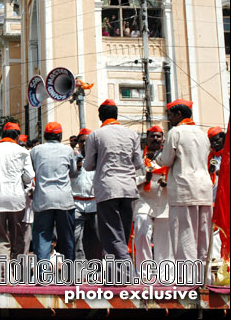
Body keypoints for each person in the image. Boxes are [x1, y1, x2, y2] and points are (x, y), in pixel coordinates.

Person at [156, 99, 213, 282]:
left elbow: (165, 160)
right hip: (204, 190)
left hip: (184, 190)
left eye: (171, 115)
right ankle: (204, 279)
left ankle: (188, 280)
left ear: (179, 114)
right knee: (203, 238)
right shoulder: (202, 134)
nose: (169, 119)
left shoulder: (176, 132)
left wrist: (155, 158)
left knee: (184, 236)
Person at [83, 100, 143, 269]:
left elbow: (88, 166)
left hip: (107, 188)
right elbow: (138, 163)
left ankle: (126, 270)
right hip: (129, 188)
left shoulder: (95, 135)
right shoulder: (132, 134)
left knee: (111, 234)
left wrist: (100, 160)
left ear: (101, 116)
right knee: (122, 233)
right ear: (116, 115)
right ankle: (114, 274)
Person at [0, 122, 34, 277]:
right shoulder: (23, 151)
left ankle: (4, 276)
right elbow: (29, 176)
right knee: (17, 237)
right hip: (16, 199)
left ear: (2, 135)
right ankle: (16, 274)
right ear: (17, 136)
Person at [31, 122, 77, 266]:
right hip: (64, 200)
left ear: (44, 135)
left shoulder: (35, 150)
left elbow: (30, 172)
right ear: (60, 136)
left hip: (43, 199)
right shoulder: (68, 150)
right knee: (67, 238)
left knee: (42, 238)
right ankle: (69, 275)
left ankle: (42, 275)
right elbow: (74, 172)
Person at [133, 126, 172, 278]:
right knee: (142, 232)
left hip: (164, 201)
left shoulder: (169, 157)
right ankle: (144, 273)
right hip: (144, 200)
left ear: (163, 139)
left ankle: (165, 274)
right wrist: (145, 179)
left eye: (158, 136)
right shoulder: (139, 159)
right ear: (147, 138)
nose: (155, 139)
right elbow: (131, 179)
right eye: (152, 136)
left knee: (164, 240)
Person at [72, 128, 102, 261]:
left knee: (98, 237)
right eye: (81, 141)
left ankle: (97, 268)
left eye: (87, 141)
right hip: (76, 203)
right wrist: (74, 168)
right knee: (75, 238)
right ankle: (79, 271)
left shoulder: (99, 158)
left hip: (94, 203)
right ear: (78, 143)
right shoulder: (72, 157)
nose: (84, 144)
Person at [207, 126, 225, 201]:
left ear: (223, 138)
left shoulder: (227, 154)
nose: (214, 143)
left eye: (216, 140)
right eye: (211, 142)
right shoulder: (211, 156)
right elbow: (212, 170)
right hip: (215, 196)